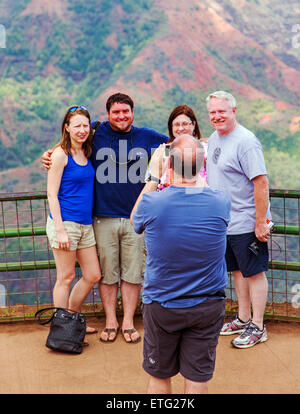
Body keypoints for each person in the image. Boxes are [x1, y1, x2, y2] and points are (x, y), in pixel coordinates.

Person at [42, 93, 168, 343]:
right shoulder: (94, 136)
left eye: (126, 111)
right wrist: (50, 155)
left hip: (131, 218)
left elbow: (183, 143)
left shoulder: (147, 137)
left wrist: (214, 140)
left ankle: (123, 321)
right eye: (116, 112)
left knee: (124, 273)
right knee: (101, 274)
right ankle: (97, 323)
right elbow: (60, 165)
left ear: (133, 112)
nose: (121, 116)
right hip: (97, 219)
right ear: (107, 114)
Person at [131, 134, 231, 394]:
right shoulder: (221, 202)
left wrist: (155, 176)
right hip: (208, 305)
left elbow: (135, 220)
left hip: (163, 304)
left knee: (159, 375)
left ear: (169, 165)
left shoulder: (152, 203)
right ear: (203, 164)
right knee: (198, 379)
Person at [205, 90, 271, 349]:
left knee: (254, 273)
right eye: (213, 112)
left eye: (222, 111)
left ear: (234, 111)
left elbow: (261, 183)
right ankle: (243, 318)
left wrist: (260, 222)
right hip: (225, 223)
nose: (217, 116)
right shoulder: (214, 138)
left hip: (246, 221)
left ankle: (258, 325)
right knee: (238, 271)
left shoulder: (246, 141)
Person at [46, 106, 101, 345]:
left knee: (92, 274)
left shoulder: (86, 151)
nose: (82, 130)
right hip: (65, 223)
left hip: (85, 224)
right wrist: (60, 229)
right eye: (77, 125)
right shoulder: (60, 154)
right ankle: (62, 330)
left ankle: (72, 318)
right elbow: (51, 193)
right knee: (66, 277)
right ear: (66, 127)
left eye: (85, 126)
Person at [146, 104, 207, 188]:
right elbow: (152, 180)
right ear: (171, 127)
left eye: (185, 124)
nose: (181, 128)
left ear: (193, 124)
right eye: (176, 124)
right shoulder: (163, 152)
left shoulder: (206, 150)